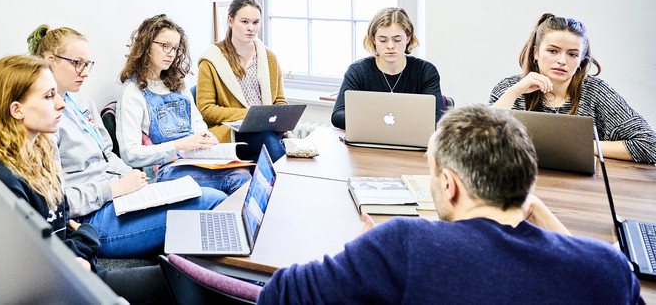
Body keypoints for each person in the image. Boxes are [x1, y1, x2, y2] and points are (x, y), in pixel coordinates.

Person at [257, 104, 641, 305]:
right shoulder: (609, 268)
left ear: (448, 184)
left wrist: (362, 251)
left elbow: (278, 296)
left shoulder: (404, 245)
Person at [0, 55, 169, 304]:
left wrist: (82, 245)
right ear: (17, 109)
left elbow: (61, 241)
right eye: (50, 96)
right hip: (57, 293)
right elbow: (38, 274)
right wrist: (85, 240)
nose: (61, 104)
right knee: (178, 285)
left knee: (178, 279)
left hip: (73, 278)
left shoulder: (39, 155)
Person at [26, 24, 225, 258]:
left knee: (207, 198)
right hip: (92, 216)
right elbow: (58, 203)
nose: (85, 72)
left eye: (87, 64)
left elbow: (107, 154)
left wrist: (133, 178)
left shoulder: (83, 102)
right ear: (51, 61)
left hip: (120, 196)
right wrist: (115, 188)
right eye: (76, 63)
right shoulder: (46, 122)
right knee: (213, 201)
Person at [490, 13, 656, 164]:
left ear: (581, 61)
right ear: (535, 53)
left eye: (572, 54)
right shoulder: (509, 88)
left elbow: (650, 145)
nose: (562, 60)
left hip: (583, 189)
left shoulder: (596, 92)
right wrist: (513, 92)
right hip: (521, 185)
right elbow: (480, 146)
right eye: (553, 51)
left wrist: (579, 148)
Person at [116, 14, 251, 194]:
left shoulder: (177, 83)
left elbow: (195, 121)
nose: (171, 53)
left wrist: (203, 135)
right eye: (165, 46)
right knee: (237, 177)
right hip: (164, 169)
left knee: (244, 169)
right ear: (146, 45)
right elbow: (130, 154)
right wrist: (179, 145)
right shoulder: (133, 93)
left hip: (193, 158)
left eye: (175, 48)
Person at [196, 0, 289, 161]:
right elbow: (206, 110)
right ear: (230, 21)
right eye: (244, 22)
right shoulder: (211, 60)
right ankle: (288, 182)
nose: (251, 28)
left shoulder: (269, 58)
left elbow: (280, 101)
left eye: (255, 22)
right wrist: (249, 115)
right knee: (268, 141)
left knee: (272, 139)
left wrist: (278, 121)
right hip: (232, 133)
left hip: (266, 130)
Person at [331, 7, 444, 129]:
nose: (390, 46)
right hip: (369, 141)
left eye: (397, 39)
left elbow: (437, 118)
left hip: (411, 143)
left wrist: (372, 120)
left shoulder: (425, 71)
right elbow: (338, 115)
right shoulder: (358, 71)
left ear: (408, 38)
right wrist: (382, 122)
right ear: (374, 39)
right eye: (383, 40)